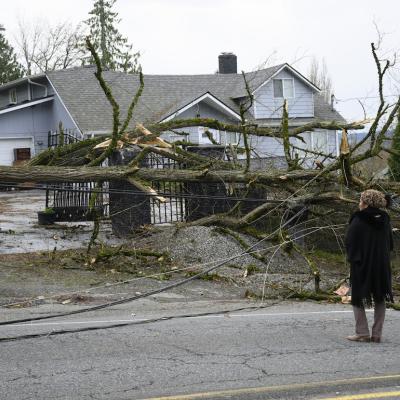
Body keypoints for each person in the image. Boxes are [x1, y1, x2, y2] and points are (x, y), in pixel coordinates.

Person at [345, 189, 394, 343]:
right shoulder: (386, 218)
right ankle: (377, 334)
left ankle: (362, 332)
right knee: (380, 297)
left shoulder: (358, 218)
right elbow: (391, 244)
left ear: (366, 203)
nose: (359, 203)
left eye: (360, 200)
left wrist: (353, 259)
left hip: (362, 264)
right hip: (381, 264)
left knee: (357, 297)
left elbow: (350, 241)